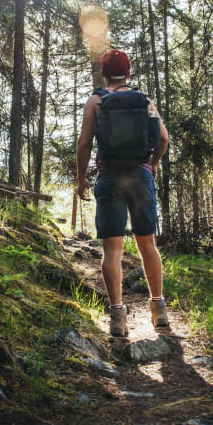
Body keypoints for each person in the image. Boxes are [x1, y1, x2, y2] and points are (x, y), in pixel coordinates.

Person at [76, 49, 170, 337]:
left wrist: (81, 178)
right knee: (147, 244)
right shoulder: (145, 101)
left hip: (110, 177)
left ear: (104, 74)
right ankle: (159, 310)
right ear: (127, 73)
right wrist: (152, 164)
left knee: (112, 249)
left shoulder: (96, 101)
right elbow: (163, 138)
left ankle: (118, 316)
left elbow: (84, 144)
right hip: (141, 176)